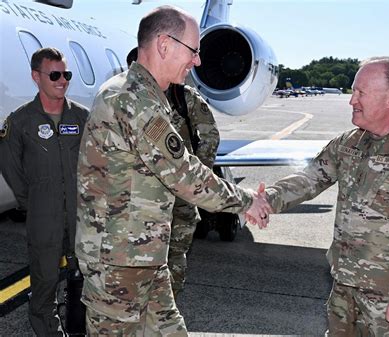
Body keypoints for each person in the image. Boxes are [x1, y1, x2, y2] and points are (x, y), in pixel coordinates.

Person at [75, 6, 269, 336]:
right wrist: (246, 200)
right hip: (118, 262)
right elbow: (185, 175)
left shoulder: (149, 96)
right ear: (165, 45)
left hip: (144, 256)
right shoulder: (132, 99)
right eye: (193, 51)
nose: (197, 62)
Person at [252, 57, 389, 336]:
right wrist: (266, 199)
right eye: (353, 91)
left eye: (361, 92)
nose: (352, 100)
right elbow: (309, 179)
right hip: (343, 289)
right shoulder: (350, 143)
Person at [0, 47, 89, 337]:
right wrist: (37, 202)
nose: (63, 80)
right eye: (55, 74)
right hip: (43, 218)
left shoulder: (83, 118)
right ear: (36, 77)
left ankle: (78, 330)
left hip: (80, 217)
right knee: (44, 283)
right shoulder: (21, 122)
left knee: (83, 280)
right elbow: (11, 169)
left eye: (66, 74)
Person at [131, 46, 221, 298]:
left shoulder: (185, 97)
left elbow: (210, 136)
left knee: (175, 255)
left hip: (179, 195)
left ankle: (168, 308)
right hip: (142, 197)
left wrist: (196, 177)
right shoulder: (128, 101)